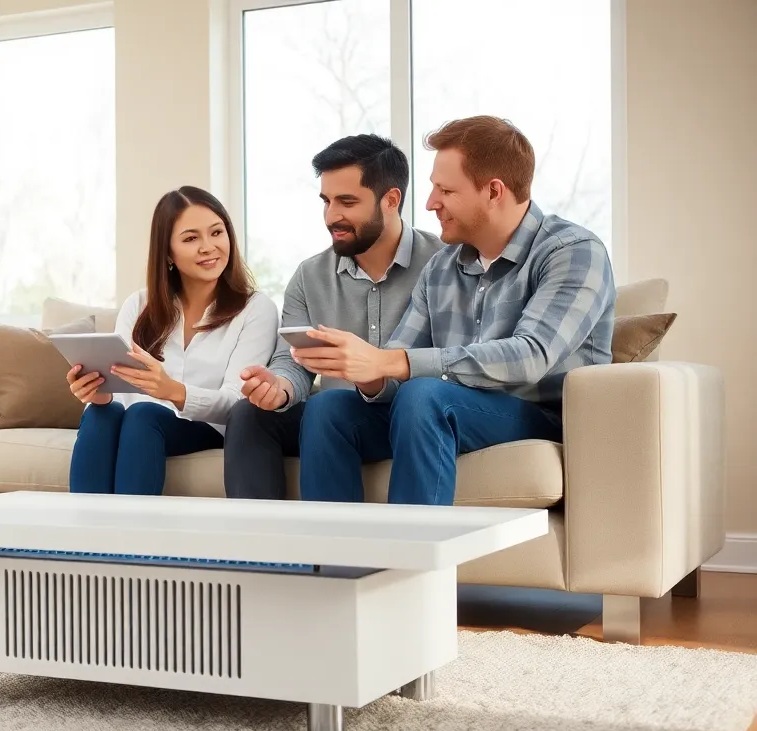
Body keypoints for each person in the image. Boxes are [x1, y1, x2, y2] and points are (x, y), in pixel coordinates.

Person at [291, 115, 616, 506]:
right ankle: (332, 559)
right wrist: (365, 369)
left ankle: (412, 564)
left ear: (493, 191)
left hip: (537, 415)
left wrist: (391, 362)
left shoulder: (573, 251)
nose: (430, 204)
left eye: (445, 190)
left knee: (426, 395)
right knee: (329, 408)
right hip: (439, 410)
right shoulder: (442, 267)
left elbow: (532, 355)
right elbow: (392, 370)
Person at [223, 134, 445, 500]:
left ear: (391, 200)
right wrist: (278, 387)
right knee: (249, 414)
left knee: (330, 406)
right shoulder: (310, 276)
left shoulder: (443, 264)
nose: (331, 216)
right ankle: (261, 551)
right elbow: (290, 359)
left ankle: (335, 553)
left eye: (347, 202)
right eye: (326, 201)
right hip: (334, 421)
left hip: (416, 416)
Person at [67, 185, 279, 496]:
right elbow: (120, 393)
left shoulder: (255, 309)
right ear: (168, 252)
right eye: (191, 238)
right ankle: (82, 538)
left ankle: (135, 543)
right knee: (102, 414)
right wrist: (97, 394)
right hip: (139, 423)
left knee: (144, 414)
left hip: (205, 426)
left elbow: (237, 403)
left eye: (217, 233)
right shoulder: (139, 305)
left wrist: (174, 392)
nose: (209, 247)